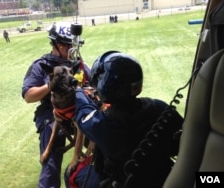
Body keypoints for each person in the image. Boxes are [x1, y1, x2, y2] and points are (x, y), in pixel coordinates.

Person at [71, 51, 184, 187]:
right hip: (165, 179)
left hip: (124, 183)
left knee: (72, 174)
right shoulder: (158, 107)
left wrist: (77, 89)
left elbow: (84, 113)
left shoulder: (103, 124)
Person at [22, 22, 90, 188]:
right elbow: (28, 96)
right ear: (60, 45)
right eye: (70, 47)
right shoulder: (41, 65)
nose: (74, 50)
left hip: (78, 110)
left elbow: (94, 82)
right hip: (51, 113)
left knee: (103, 136)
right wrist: (52, 83)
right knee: (52, 154)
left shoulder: (77, 63)